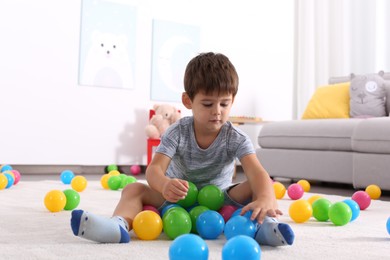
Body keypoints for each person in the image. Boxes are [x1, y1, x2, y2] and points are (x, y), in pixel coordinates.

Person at [70, 52, 294, 246]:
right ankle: (118, 226)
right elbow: (154, 169)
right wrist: (165, 185)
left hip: (219, 201)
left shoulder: (235, 137)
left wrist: (265, 196)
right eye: (207, 104)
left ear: (232, 100)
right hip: (175, 198)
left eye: (224, 104)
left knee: (258, 186)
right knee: (133, 190)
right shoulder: (177, 132)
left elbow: (257, 172)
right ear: (188, 101)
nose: (217, 111)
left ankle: (267, 227)